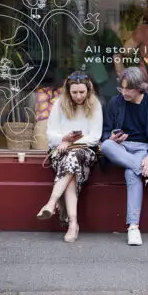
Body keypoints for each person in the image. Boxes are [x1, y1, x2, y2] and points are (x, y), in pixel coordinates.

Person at [101, 67, 148, 246]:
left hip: (143, 148)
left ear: (140, 87)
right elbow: (105, 133)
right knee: (107, 145)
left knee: (131, 174)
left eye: (128, 89)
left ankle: (133, 227)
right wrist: (112, 137)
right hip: (120, 148)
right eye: (121, 88)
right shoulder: (115, 102)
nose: (124, 92)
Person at [37, 71, 103, 243]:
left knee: (73, 158)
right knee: (71, 170)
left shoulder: (95, 104)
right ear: (68, 91)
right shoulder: (60, 104)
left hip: (86, 152)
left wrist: (71, 143)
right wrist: (63, 139)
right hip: (61, 150)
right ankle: (73, 224)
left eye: (82, 92)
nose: (79, 96)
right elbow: (50, 135)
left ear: (88, 90)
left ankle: (51, 203)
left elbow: (95, 137)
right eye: (74, 92)